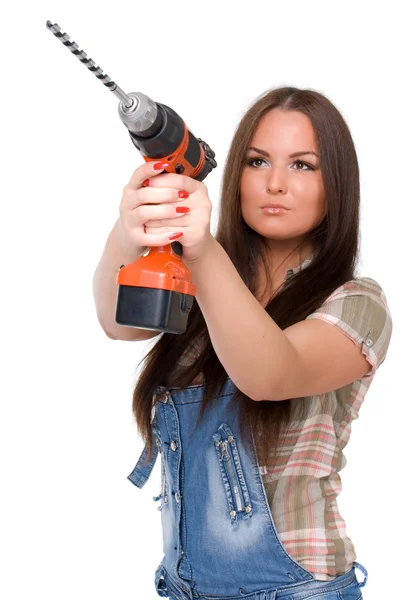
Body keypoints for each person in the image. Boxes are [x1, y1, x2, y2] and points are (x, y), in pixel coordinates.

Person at [93, 87, 392, 600]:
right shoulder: (201, 282)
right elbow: (118, 322)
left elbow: (268, 375)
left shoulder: (358, 303)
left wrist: (203, 251)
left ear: (336, 186)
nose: (275, 183)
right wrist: (132, 227)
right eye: (258, 161)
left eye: (303, 165)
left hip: (300, 590)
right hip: (186, 590)